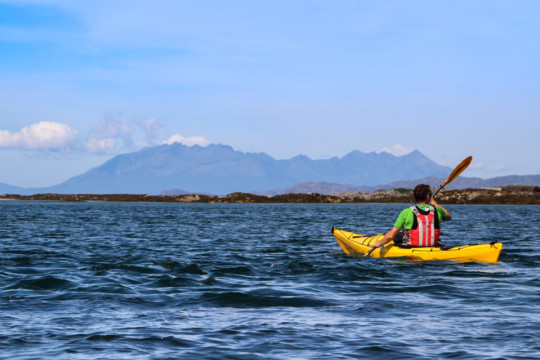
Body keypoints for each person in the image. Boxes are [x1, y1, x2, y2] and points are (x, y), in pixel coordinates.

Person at [374, 184, 452, 248]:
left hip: (411, 248)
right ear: (428, 197)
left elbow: (391, 235)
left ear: (415, 197)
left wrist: (380, 243)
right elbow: (448, 217)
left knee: (396, 235)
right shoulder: (438, 210)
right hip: (432, 247)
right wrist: (435, 204)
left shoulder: (406, 212)